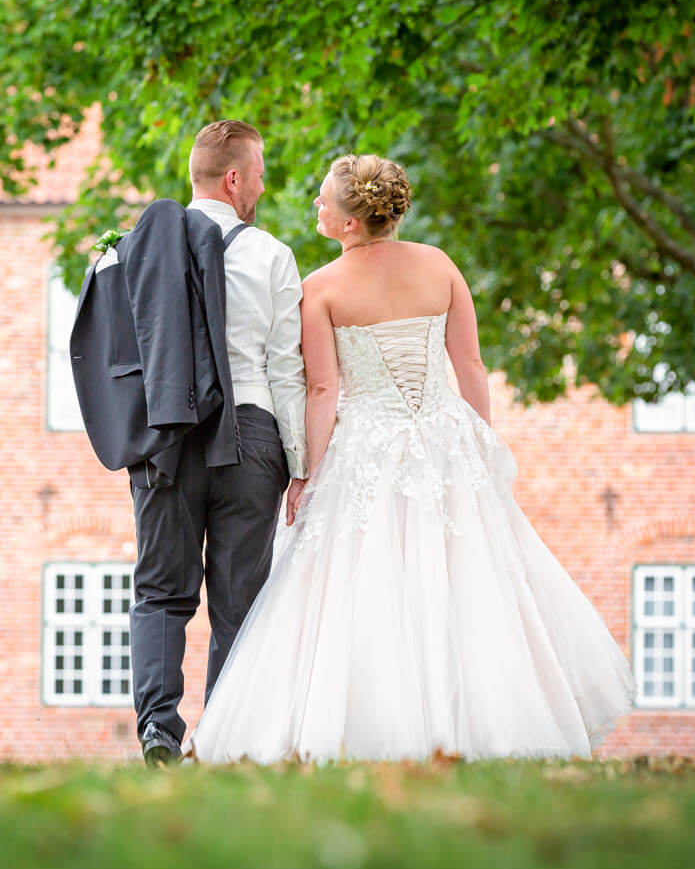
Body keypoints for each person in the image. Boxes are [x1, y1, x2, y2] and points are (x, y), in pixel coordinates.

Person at [186, 154, 636, 762]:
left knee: (360, 586)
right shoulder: (440, 266)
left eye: (324, 199)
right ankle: (481, 732)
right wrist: (480, 444)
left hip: (364, 449)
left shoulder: (320, 288)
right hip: (446, 443)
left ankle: (365, 733)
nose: (316, 204)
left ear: (350, 222)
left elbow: (322, 390)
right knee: (468, 580)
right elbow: (469, 365)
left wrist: (306, 473)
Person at [90, 120, 308, 767]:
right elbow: (285, 370)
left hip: (166, 437)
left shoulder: (131, 251)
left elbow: (114, 358)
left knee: (161, 591)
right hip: (251, 437)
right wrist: (300, 464)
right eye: (259, 175)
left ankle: (159, 728)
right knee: (239, 602)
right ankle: (224, 741)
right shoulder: (271, 255)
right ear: (234, 179)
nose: (262, 187)